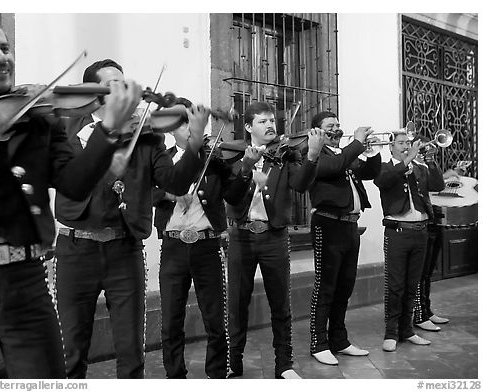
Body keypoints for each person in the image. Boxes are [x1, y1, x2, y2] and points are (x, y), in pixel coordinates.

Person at [0, 14, 141, 378]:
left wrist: (108, 131)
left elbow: (73, 184)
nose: (2, 56)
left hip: (25, 275)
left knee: (44, 377)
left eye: (5, 48)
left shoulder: (40, 119)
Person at [53, 59, 206, 379]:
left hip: (125, 250)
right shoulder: (66, 128)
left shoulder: (148, 136)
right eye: (112, 85)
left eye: (125, 83)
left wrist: (193, 142)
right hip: (75, 249)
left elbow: (175, 183)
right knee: (70, 350)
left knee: (131, 351)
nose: (125, 91)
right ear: (91, 94)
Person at [152, 118, 259, 379]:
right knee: (171, 317)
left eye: (194, 125)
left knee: (214, 316)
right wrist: (170, 194)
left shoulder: (213, 161)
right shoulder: (161, 160)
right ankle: (174, 375)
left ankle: (216, 373)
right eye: (184, 125)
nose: (191, 130)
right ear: (171, 130)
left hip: (207, 244)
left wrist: (245, 168)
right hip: (173, 245)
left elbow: (233, 196)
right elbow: (142, 191)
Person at [226, 101, 325, 379]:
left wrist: (313, 156)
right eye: (262, 121)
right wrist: (246, 170)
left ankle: (284, 363)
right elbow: (231, 197)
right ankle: (233, 361)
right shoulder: (233, 157)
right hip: (241, 237)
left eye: (272, 120)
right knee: (237, 303)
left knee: (280, 303)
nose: (271, 125)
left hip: (274, 237)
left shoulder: (286, 156)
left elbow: (300, 184)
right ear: (248, 127)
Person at [307, 111, 381, 366]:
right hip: (327, 224)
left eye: (338, 125)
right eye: (330, 126)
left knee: (345, 287)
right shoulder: (316, 154)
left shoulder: (344, 154)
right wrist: (357, 143)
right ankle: (318, 343)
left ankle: (340, 340)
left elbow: (370, 172)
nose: (337, 129)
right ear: (317, 131)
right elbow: (333, 169)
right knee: (325, 286)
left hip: (350, 227)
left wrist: (370, 151)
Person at [374, 130, 445, 352]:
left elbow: (438, 185)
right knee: (396, 286)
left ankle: (407, 330)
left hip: (420, 231)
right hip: (398, 233)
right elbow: (384, 181)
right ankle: (391, 333)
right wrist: (407, 159)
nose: (406, 146)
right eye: (402, 143)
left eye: (408, 142)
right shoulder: (384, 167)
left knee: (412, 284)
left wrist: (430, 159)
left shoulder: (419, 168)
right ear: (391, 147)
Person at [413, 138, 452, 332]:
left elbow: (438, 185)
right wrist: (415, 158)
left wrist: (430, 161)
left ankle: (426, 310)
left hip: (430, 221)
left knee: (428, 273)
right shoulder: (407, 166)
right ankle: (418, 314)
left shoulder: (423, 165)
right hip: (416, 225)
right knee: (419, 274)